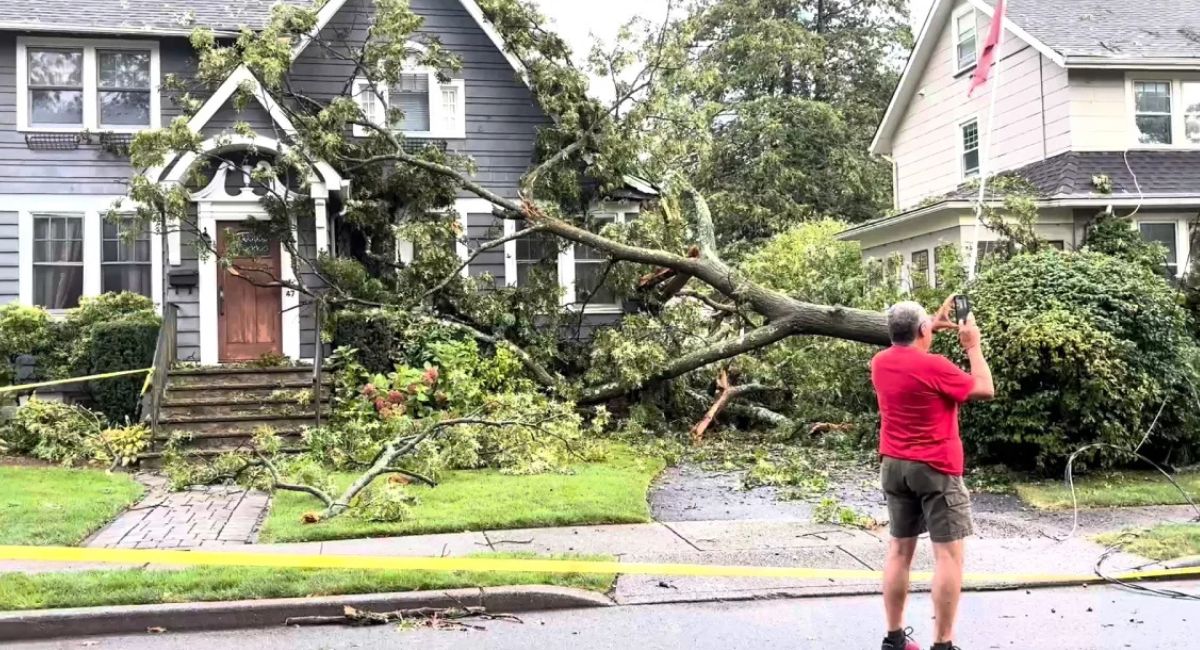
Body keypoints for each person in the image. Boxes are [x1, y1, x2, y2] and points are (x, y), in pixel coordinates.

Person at [872, 297, 994, 650]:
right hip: (935, 468)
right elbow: (984, 387)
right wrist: (973, 346)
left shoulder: (880, 362)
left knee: (898, 551)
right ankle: (943, 643)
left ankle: (894, 639)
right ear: (922, 330)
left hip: (894, 466)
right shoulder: (935, 366)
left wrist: (929, 326)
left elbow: (908, 350)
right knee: (948, 557)